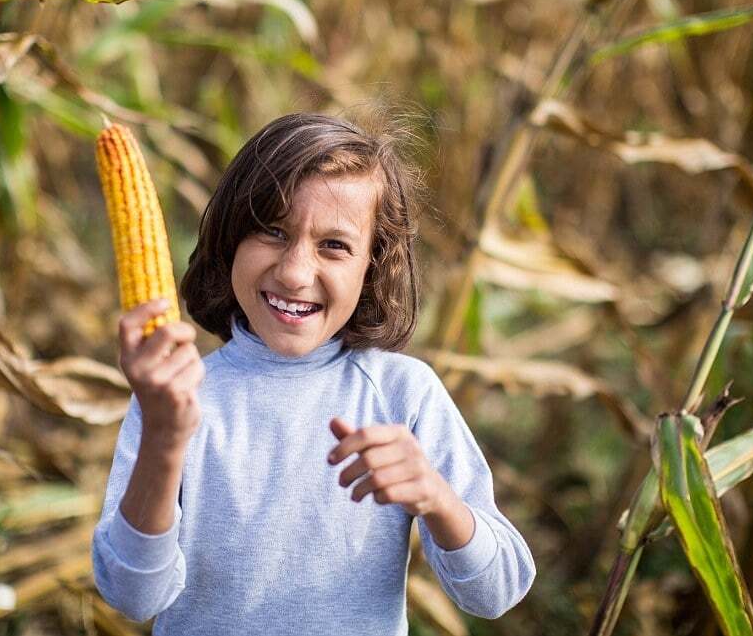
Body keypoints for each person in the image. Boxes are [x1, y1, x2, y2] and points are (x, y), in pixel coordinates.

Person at [91, 111, 535, 635]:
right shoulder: (173, 395)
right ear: (230, 238)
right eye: (272, 231)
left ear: (373, 266)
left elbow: (498, 591)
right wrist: (165, 438)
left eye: (335, 245)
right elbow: (133, 596)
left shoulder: (402, 394)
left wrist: (438, 499)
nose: (296, 271)